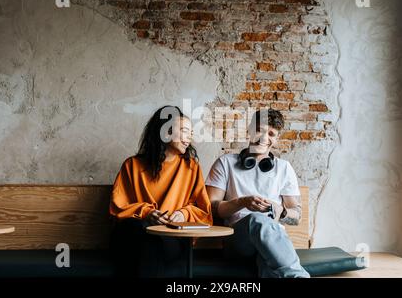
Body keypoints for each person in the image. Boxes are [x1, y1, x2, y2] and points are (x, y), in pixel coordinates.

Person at [109, 105, 212, 277]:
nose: (190, 137)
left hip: (169, 238)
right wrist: (147, 213)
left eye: (191, 132)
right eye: (185, 131)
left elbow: (203, 210)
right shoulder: (132, 165)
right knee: (141, 229)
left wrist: (183, 214)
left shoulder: (191, 168)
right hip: (132, 235)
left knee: (151, 240)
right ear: (165, 132)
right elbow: (118, 208)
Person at [206, 109, 310, 278]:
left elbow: (296, 215)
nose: (264, 138)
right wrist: (242, 202)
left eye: (271, 134)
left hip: (273, 240)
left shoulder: (284, 168)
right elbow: (211, 208)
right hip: (237, 241)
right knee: (257, 219)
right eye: (260, 130)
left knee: (269, 265)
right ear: (249, 130)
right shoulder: (225, 163)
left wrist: (281, 211)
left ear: (276, 139)